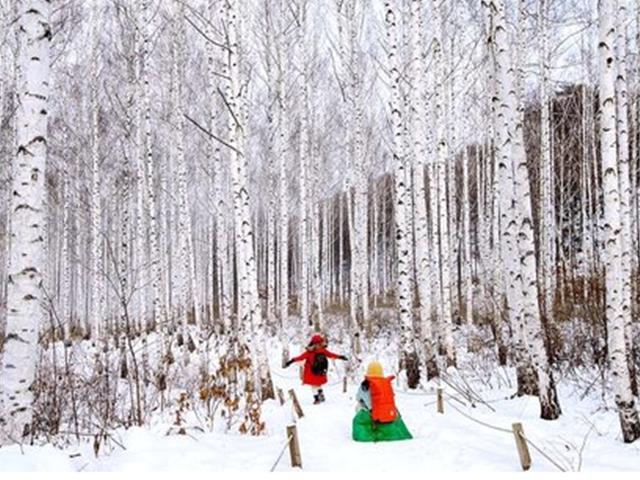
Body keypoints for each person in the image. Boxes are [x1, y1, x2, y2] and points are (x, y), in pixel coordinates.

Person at [352, 361, 412, 442]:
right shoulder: (385, 383)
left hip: (372, 413)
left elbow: (358, 397)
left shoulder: (365, 384)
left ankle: (371, 433)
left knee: (358, 411)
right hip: (389, 412)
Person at [284, 334, 348, 404]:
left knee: (314, 385)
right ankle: (321, 394)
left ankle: (317, 398)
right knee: (318, 384)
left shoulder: (309, 352)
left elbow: (300, 357)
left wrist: (291, 361)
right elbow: (331, 355)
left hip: (311, 372)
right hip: (321, 371)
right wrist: (341, 357)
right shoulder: (323, 350)